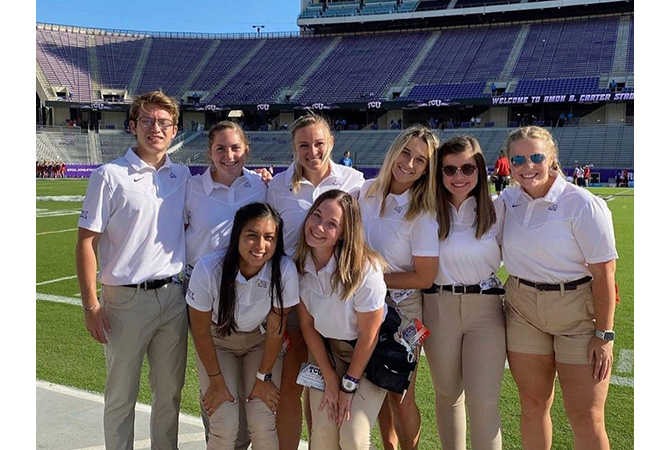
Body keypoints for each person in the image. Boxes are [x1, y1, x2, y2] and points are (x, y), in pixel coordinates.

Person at [76, 90, 191, 449]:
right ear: (133, 126)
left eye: (163, 123)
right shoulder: (109, 176)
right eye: (147, 121)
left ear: (174, 131)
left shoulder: (184, 175)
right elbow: (85, 242)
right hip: (125, 302)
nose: (155, 128)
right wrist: (91, 305)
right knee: (121, 396)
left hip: (174, 299)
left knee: (169, 394)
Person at [500, 126, 618, 450]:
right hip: (523, 309)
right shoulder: (507, 200)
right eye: (519, 159)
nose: (528, 165)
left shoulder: (582, 204)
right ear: (508, 164)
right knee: (534, 405)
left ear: (552, 157)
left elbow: (605, 274)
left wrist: (604, 335)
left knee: (586, 416)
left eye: (536, 156)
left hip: (577, 312)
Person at [266, 114, 364, 450]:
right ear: (293, 147)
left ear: (331, 142)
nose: (312, 151)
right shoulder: (276, 186)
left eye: (319, 143)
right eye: (303, 145)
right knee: (294, 385)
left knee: (330, 389)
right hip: (294, 299)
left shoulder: (355, 181)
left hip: (338, 302)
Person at [187, 202, 299, 450]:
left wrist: (264, 377)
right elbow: (201, 332)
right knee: (224, 424)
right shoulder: (208, 269)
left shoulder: (284, 269)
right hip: (218, 343)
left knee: (262, 421)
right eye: (252, 236)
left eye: (269, 237)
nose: (260, 246)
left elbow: (276, 329)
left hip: (259, 343)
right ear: (236, 234)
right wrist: (216, 382)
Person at [184, 120, 268, 446]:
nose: (228, 155)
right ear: (209, 152)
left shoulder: (261, 187)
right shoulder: (192, 189)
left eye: (235, 147)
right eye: (220, 148)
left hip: (251, 296)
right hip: (204, 297)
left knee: (249, 405)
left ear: (246, 150)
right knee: (217, 398)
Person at [358, 125, 440, 450]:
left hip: (406, 311)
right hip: (366, 304)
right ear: (394, 151)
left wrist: (372, 279)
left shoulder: (423, 212)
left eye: (420, 160)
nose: (409, 163)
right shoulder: (364, 192)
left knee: (401, 392)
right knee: (377, 383)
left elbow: (424, 277)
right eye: (406, 152)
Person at [424, 135, 506, 450]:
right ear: (439, 173)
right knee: (447, 395)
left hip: (485, 311)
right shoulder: (427, 210)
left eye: (467, 168)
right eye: (450, 170)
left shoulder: (499, 208)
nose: (459, 177)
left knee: (483, 399)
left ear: (480, 169)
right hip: (438, 307)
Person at [295, 190, 388, 450]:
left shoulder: (365, 270)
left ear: (345, 232)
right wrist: (330, 378)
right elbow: (307, 326)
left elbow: (369, 335)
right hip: (327, 353)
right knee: (322, 436)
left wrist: (348, 386)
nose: (319, 227)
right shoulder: (299, 266)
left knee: (353, 438)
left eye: (332, 224)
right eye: (316, 216)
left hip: (366, 357)